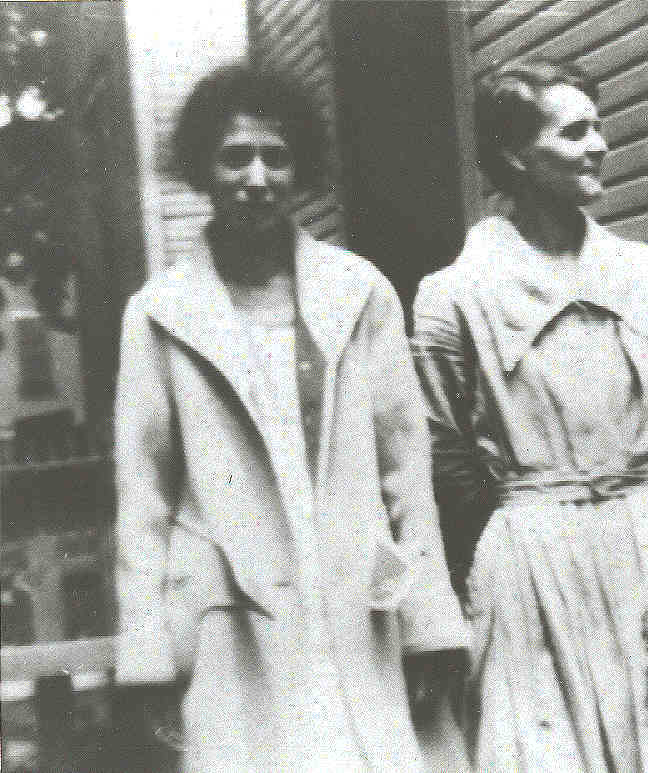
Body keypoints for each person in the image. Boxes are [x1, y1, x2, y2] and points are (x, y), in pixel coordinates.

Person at [113, 64, 470, 772]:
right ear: (202, 169)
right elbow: (143, 496)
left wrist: (428, 621)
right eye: (234, 157)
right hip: (232, 617)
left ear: (299, 166)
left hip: (358, 605)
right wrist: (148, 650)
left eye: (275, 157)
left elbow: (407, 472)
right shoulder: (160, 312)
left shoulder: (358, 292)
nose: (256, 177)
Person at [411, 59, 648, 772]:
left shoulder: (645, 273)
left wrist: (643, 497)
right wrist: (529, 524)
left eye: (599, 127)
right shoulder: (454, 295)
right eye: (574, 131)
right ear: (513, 155)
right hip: (532, 558)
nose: (599, 146)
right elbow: (442, 453)